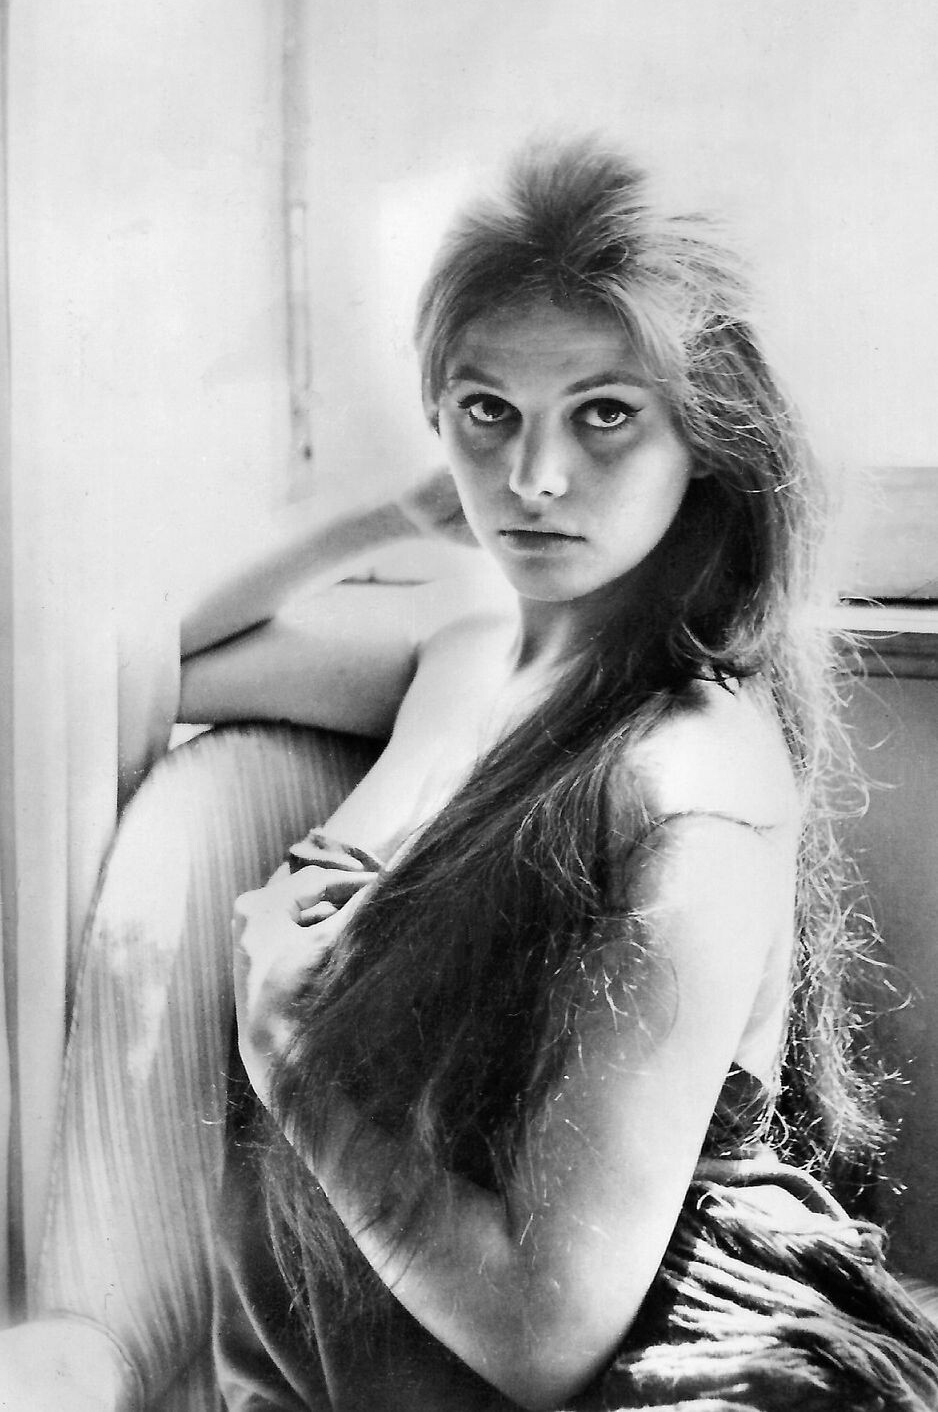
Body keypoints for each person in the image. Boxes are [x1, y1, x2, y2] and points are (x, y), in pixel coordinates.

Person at [4, 137, 938, 1411]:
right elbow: (146, 656)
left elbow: (543, 1335)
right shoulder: (471, 653)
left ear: (706, 438)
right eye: (488, 409)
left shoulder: (687, 784)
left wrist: (290, 1055)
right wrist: (387, 513)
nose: (533, 479)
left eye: (603, 414)